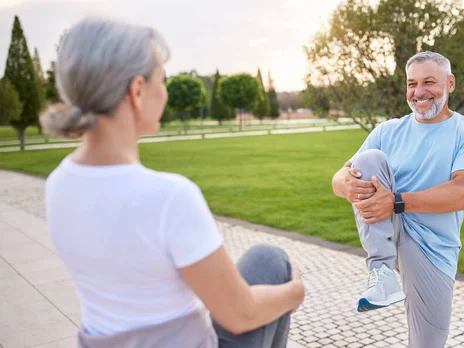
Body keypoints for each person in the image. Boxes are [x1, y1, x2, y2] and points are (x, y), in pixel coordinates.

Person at [40, 17, 305, 348]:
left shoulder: (58, 184)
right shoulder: (168, 197)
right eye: (161, 80)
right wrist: (294, 293)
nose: (164, 92)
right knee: (270, 259)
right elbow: (241, 315)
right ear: (137, 91)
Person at [331, 51, 464, 347]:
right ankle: (380, 271)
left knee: (427, 342)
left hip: (432, 247)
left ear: (450, 83)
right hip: (385, 229)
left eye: (429, 82)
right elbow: (340, 177)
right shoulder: (388, 130)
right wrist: (346, 186)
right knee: (369, 159)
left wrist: (396, 202)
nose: (419, 92)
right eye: (412, 84)